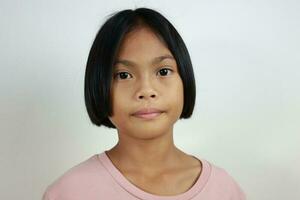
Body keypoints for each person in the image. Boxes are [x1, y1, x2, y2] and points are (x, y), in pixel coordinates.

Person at [42, 7, 246, 200]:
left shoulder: (223, 189)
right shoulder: (69, 193)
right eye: (123, 75)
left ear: (185, 78)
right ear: (99, 84)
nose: (146, 90)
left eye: (163, 71)